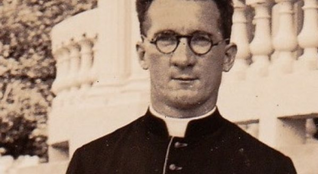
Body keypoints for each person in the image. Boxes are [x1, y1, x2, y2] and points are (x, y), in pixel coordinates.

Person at [66, 0, 297, 173]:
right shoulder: (92, 164)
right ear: (142, 55)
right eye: (166, 39)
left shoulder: (270, 168)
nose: (183, 59)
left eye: (201, 39)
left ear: (227, 57)